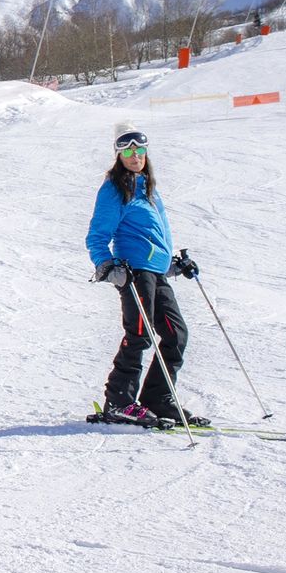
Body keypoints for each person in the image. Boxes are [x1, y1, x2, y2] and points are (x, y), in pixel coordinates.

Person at [86, 124, 206, 427]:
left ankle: (157, 398)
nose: (134, 155)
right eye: (127, 150)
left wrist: (173, 264)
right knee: (139, 335)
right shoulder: (115, 188)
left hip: (155, 272)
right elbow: (97, 236)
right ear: (118, 154)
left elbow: (156, 235)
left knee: (176, 335)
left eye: (139, 149)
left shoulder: (150, 188)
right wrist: (107, 267)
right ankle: (119, 401)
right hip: (133, 273)